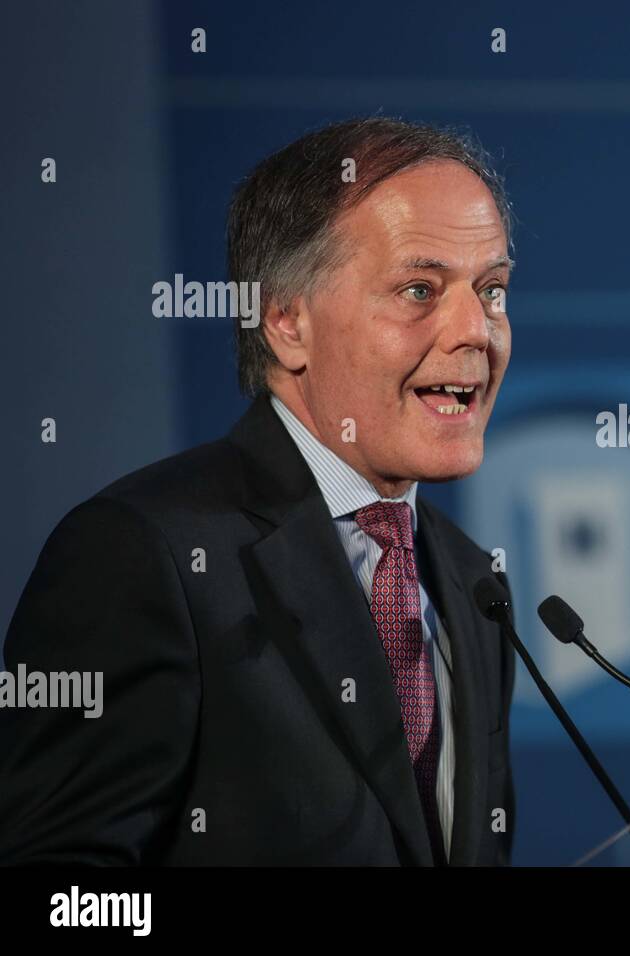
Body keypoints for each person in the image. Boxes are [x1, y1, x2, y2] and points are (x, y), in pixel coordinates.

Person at [0, 118, 517, 865]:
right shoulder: (146, 554)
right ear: (285, 320)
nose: (477, 330)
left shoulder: (473, 583)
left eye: (493, 290)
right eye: (418, 289)